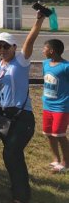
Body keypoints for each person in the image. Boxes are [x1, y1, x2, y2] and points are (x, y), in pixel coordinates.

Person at [0, 8, 47, 203]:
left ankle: (22, 199)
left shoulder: (20, 61)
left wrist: (38, 21)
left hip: (22, 116)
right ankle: (18, 189)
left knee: (10, 154)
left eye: (6, 46)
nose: (2, 49)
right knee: (13, 155)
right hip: (3, 116)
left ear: (13, 47)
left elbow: (29, 42)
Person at [41, 38, 68, 173]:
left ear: (51, 51)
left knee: (59, 134)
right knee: (48, 133)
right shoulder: (45, 64)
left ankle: (66, 162)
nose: (43, 50)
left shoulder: (66, 67)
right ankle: (56, 159)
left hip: (61, 107)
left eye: (44, 48)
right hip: (47, 105)